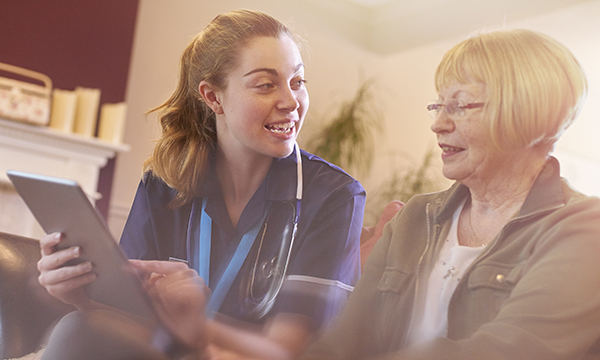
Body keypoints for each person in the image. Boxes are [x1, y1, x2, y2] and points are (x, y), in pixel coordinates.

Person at [37, 9, 365, 360]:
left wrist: (199, 326)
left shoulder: (334, 195)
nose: (290, 102)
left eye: (297, 82)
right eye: (266, 85)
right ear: (212, 97)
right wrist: (79, 296)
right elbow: (131, 318)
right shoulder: (163, 184)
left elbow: (290, 352)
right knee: (76, 328)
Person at [297, 29, 600, 360]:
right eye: (438, 106)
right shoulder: (414, 216)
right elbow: (342, 344)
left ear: (526, 112)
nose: (438, 124)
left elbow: (507, 351)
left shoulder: (585, 229)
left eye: (458, 105)